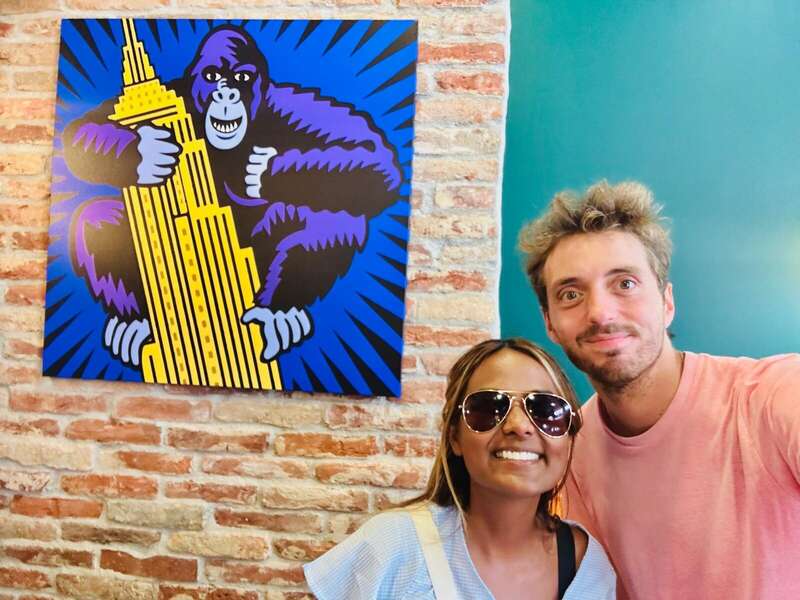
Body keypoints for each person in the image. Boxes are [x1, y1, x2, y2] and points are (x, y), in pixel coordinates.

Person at [517, 180, 800, 600]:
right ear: (550, 324)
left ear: (667, 302)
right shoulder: (568, 455)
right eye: (571, 294)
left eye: (625, 284)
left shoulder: (772, 396)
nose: (600, 313)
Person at [304, 338, 616, 599]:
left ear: (568, 437)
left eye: (546, 410)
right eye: (489, 408)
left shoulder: (587, 567)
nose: (519, 426)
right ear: (455, 437)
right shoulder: (394, 544)